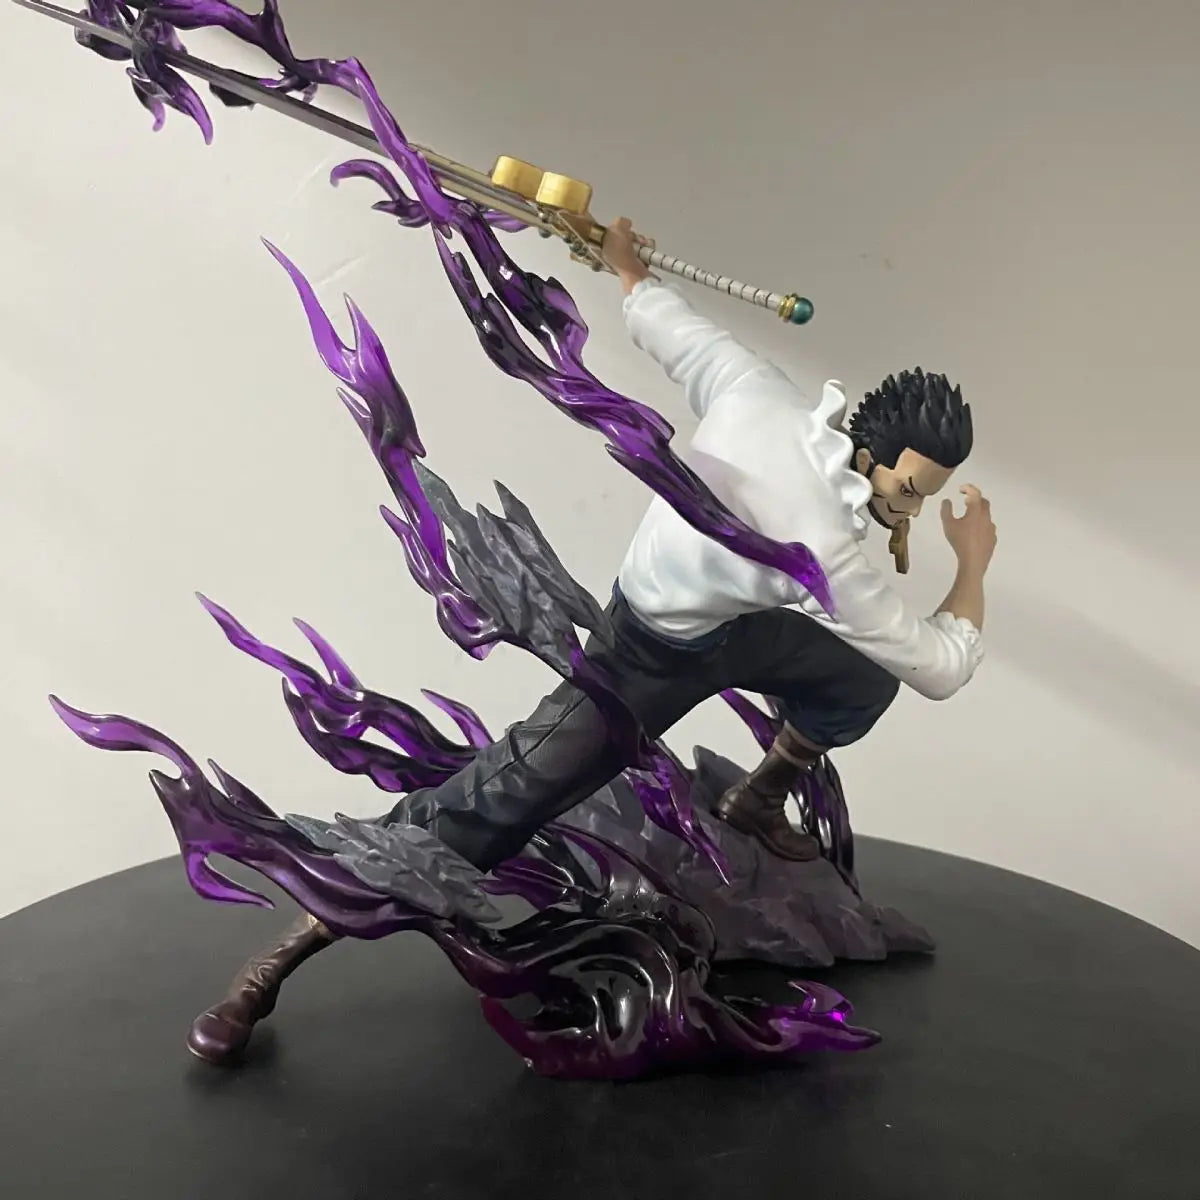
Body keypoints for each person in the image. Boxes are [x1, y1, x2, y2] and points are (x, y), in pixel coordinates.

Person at [186, 218, 997, 1064]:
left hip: (735, 629)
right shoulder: (823, 551)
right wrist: (973, 562)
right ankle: (274, 962)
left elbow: (675, 330)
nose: (909, 506)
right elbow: (940, 667)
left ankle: (757, 799)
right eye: (910, 488)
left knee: (859, 681)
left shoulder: (764, 395)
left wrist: (626, 267)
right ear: (870, 449)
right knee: (490, 804)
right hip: (640, 662)